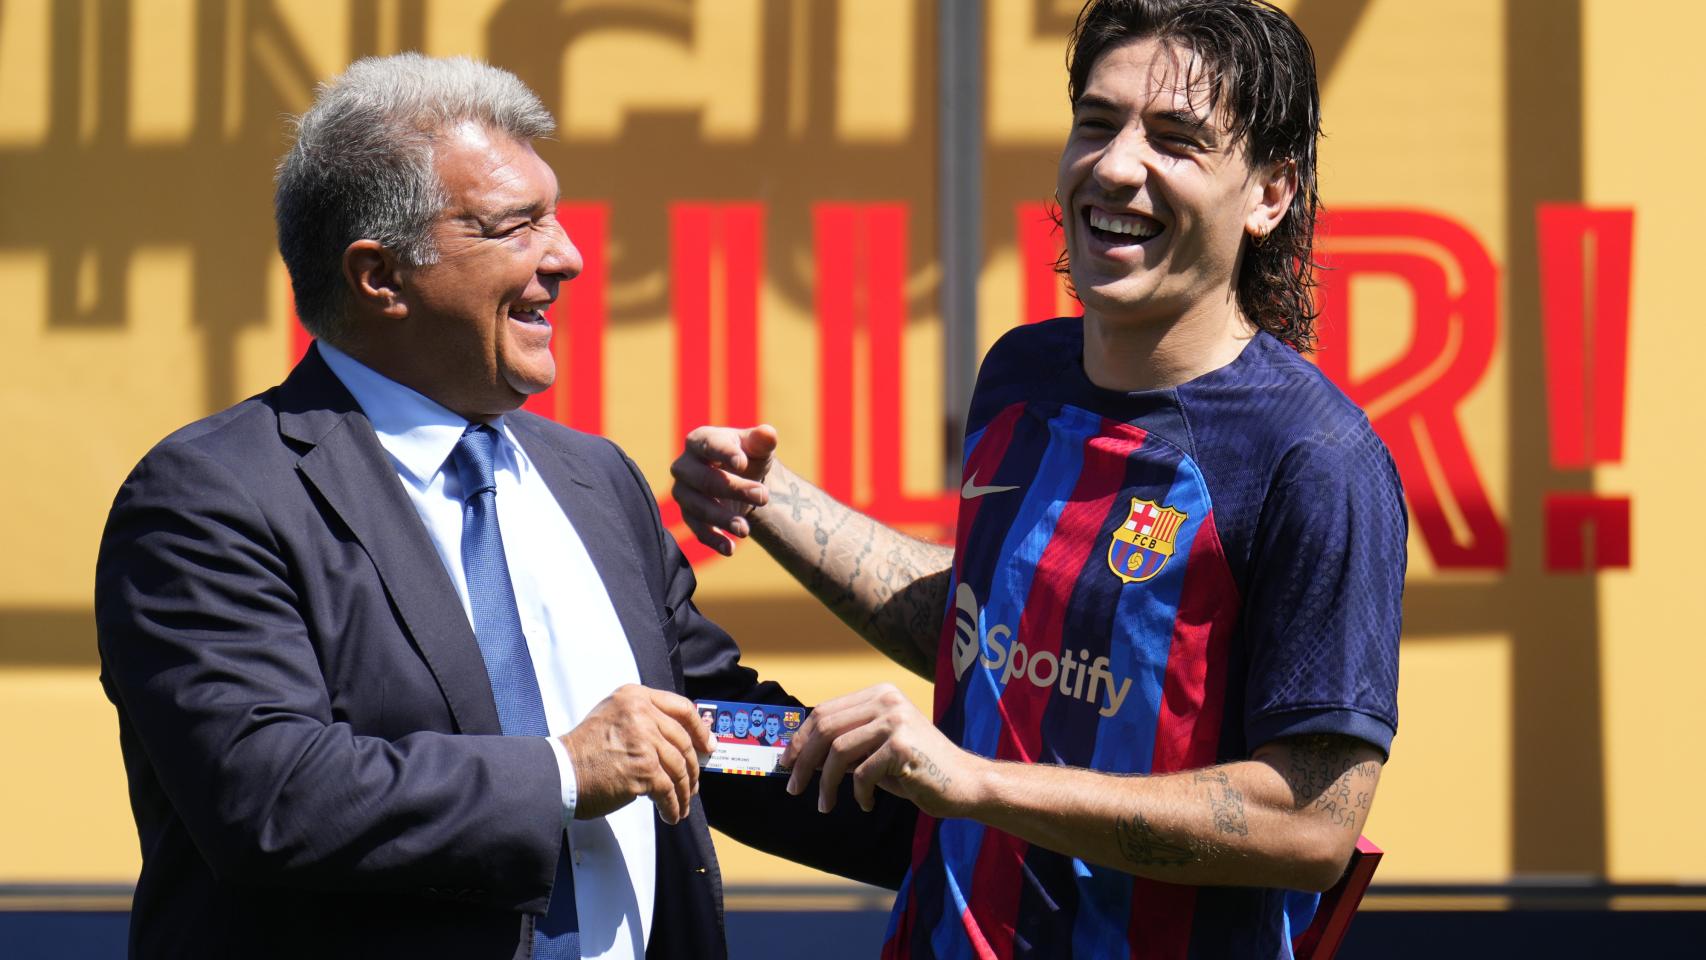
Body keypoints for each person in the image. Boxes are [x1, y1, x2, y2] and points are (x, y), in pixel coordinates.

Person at [94, 54, 910, 960]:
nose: (567, 257)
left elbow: (704, 729)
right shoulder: (212, 497)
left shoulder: (594, 480)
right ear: (380, 276)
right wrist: (563, 772)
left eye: (553, 217)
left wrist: (969, 806)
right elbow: (269, 794)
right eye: (516, 227)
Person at [669, 1, 1404, 956]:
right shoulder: (1022, 373)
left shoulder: (1317, 458)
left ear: (1270, 194)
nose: (1116, 165)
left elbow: (1309, 826)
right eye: (1097, 123)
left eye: (1175, 139)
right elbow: (993, 630)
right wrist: (769, 499)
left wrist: (973, 782)